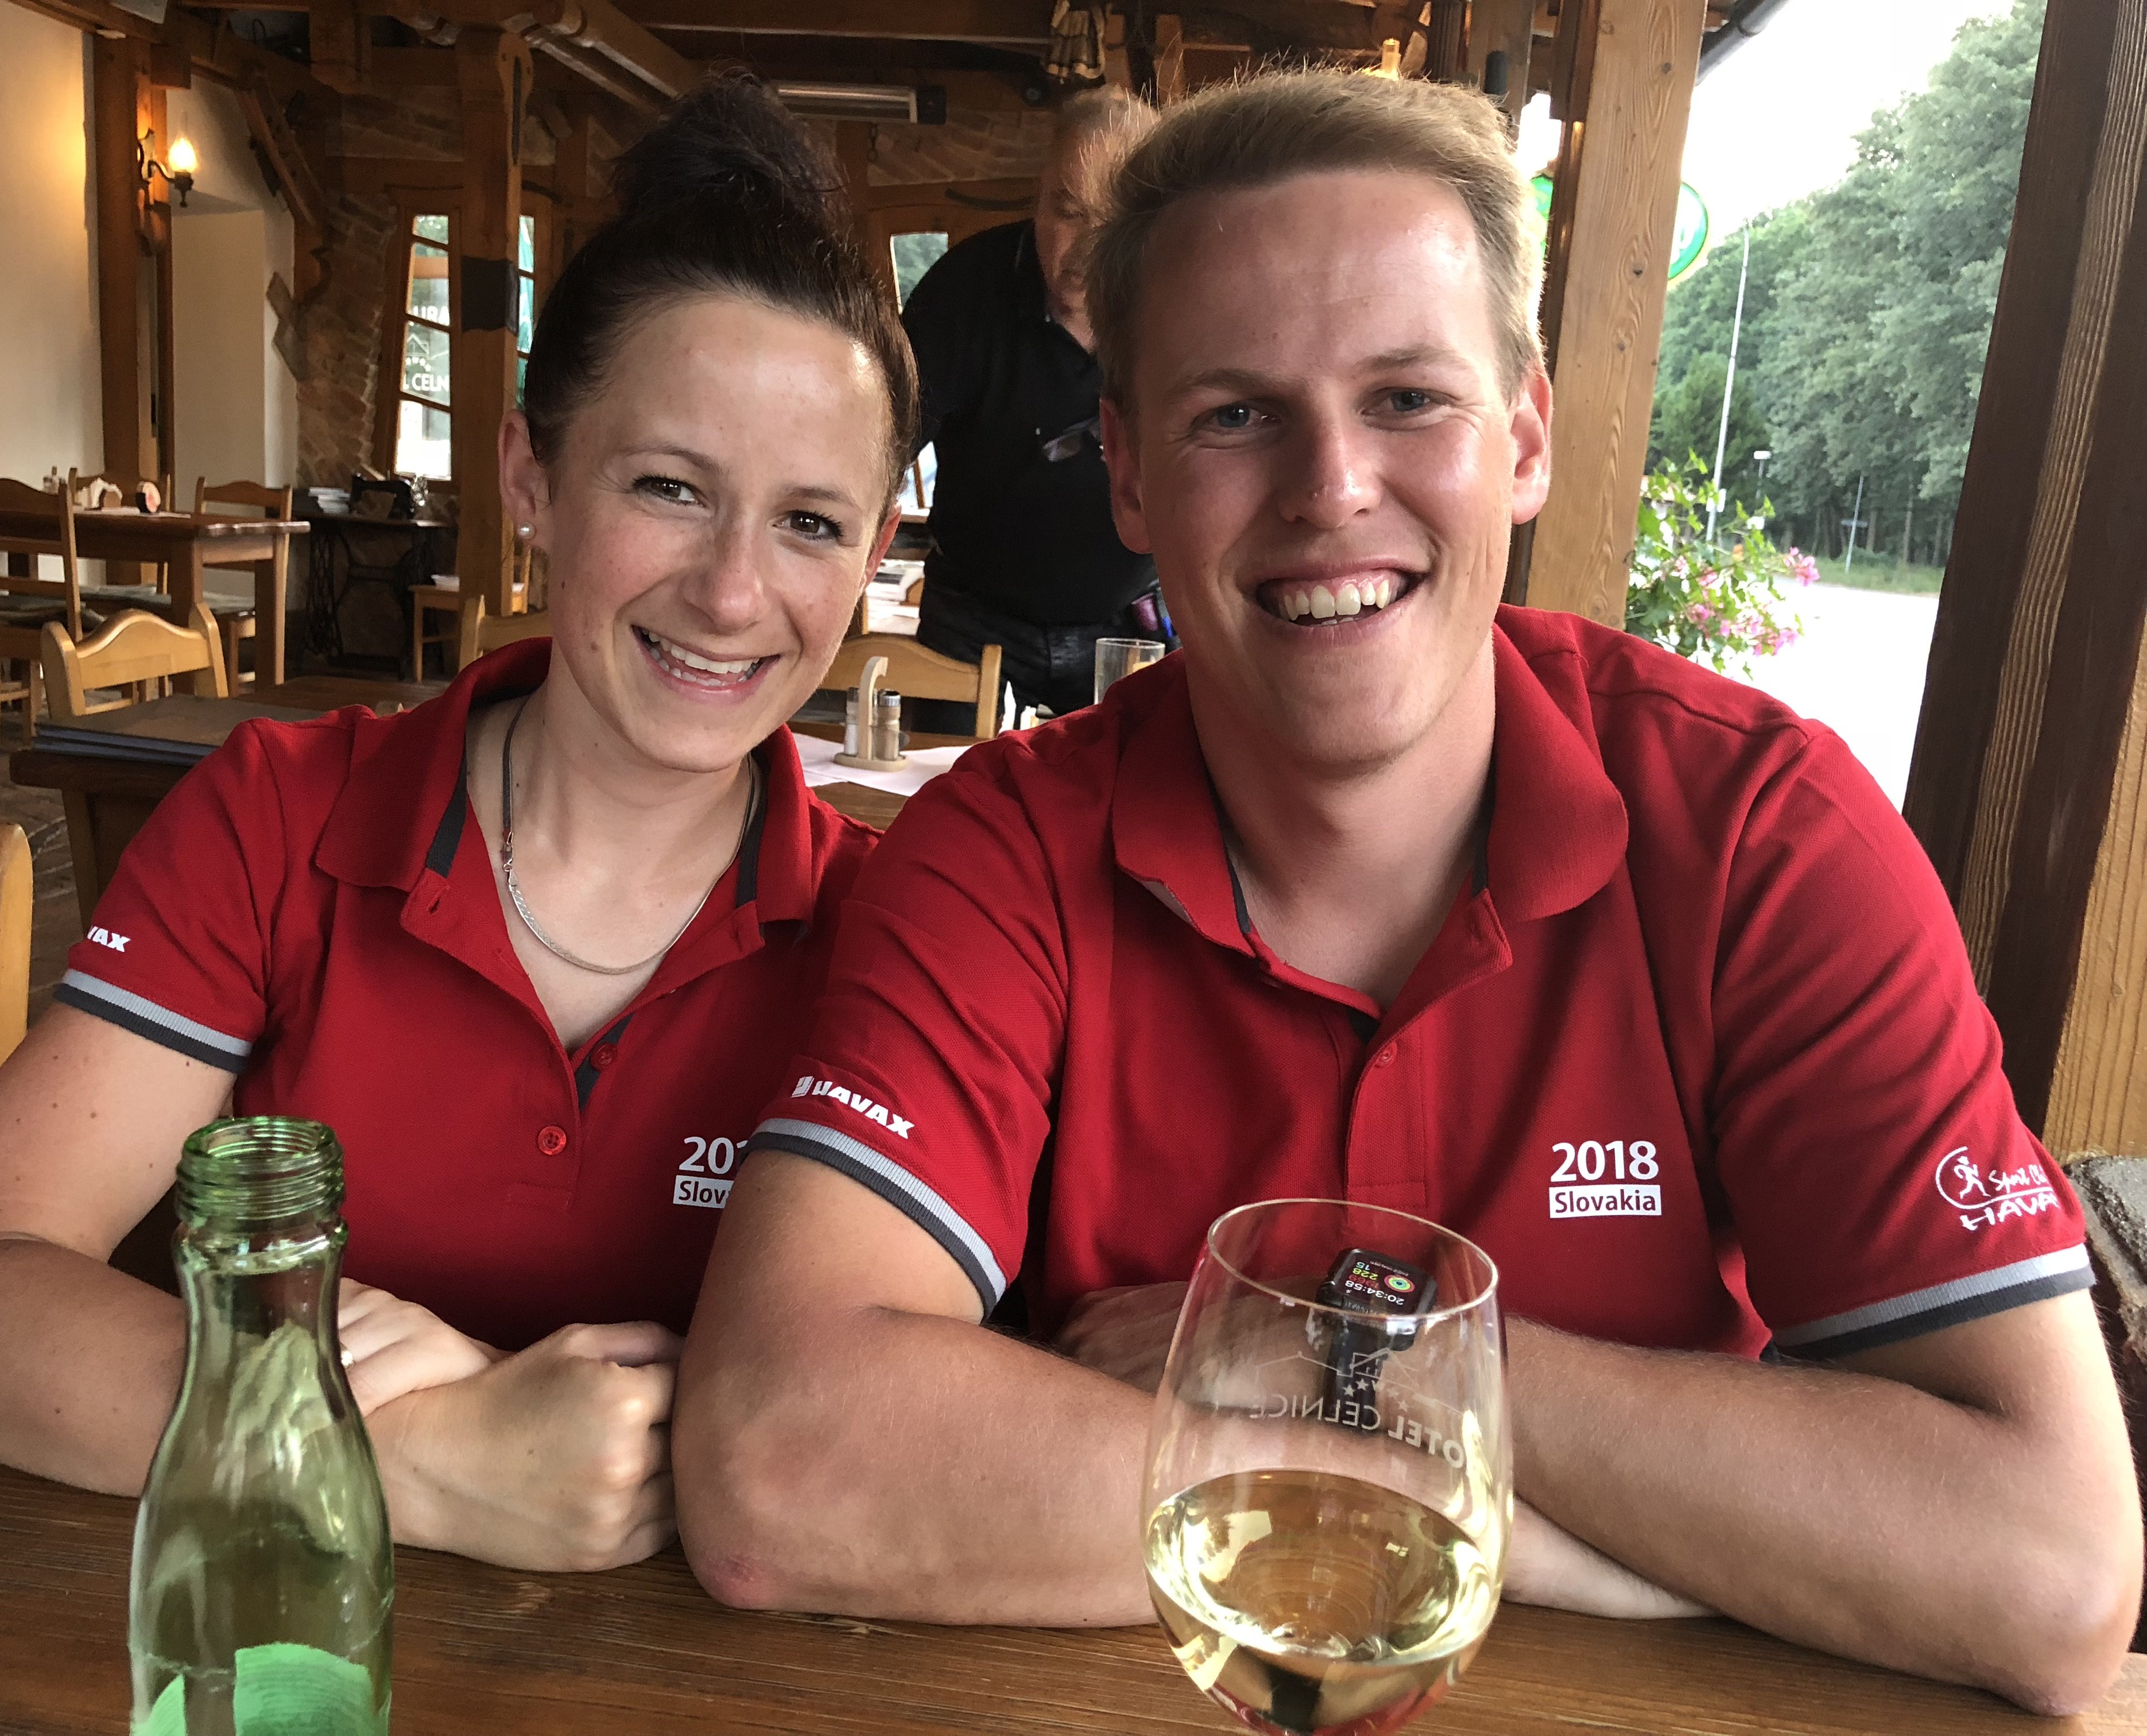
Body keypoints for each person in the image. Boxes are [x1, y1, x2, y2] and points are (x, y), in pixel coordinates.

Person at [673, 69, 2141, 1713]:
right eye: (1236, 415)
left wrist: (1339, 1345)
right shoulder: (1000, 847)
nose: (1331, 489)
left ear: (1526, 436)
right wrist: (1495, 1514)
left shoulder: (1759, 834)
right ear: (1129, 475)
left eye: (1408, 399)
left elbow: (2051, 1571)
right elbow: (776, 1458)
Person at [0, 77, 917, 1576]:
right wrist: (397, 1459)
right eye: (670, 488)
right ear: (531, 479)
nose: (736, 592)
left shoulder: (901, 929)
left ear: (875, 554)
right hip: (282, 1628)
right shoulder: (280, 816)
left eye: (810, 521)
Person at [902, 86, 1162, 720]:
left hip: (1126, 625)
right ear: (1038, 193)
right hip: (971, 620)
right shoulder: (963, 292)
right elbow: (878, 449)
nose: (1082, 251)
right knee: (938, 780)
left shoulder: (1178, 305)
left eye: (1109, 222)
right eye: (1067, 210)